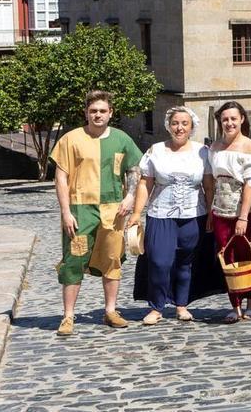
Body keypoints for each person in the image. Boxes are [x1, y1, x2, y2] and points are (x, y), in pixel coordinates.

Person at [50, 90, 143, 336]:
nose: (98, 115)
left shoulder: (122, 139)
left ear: (110, 113)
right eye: (93, 111)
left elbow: (134, 169)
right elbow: (60, 177)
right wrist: (65, 211)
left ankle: (111, 311)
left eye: (103, 111)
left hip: (113, 210)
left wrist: (130, 196)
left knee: (112, 259)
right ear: (86, 113)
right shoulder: (71, 139)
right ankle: (68, 316)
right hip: (80, 209)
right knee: (73, 260)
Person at [127, 107, 218, 324]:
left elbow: (209, 185)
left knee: (186, 262)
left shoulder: (202, 152)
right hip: (161, 215)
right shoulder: (155, 151)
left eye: (184, 123)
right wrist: (137, 213)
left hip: (193, 214)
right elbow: (145, 183)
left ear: (191, 127)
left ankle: (181, 305)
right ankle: (156, 307)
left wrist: (211, 212)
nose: (180, 128)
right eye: (175, 123)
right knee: (159, 260)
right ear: (169, 125)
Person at [207, 101, 251, 323]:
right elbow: (211, 183)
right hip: (221, 211)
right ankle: (235, 304)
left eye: (233, 118)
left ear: (242, 119)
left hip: (245, 212)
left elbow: (250, 184)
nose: (229, 123)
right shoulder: (214, 148)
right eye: (225, 119)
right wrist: (209, 214)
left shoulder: (250, 147)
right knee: (227, 256)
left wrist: (243, 216)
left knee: (248, 254)